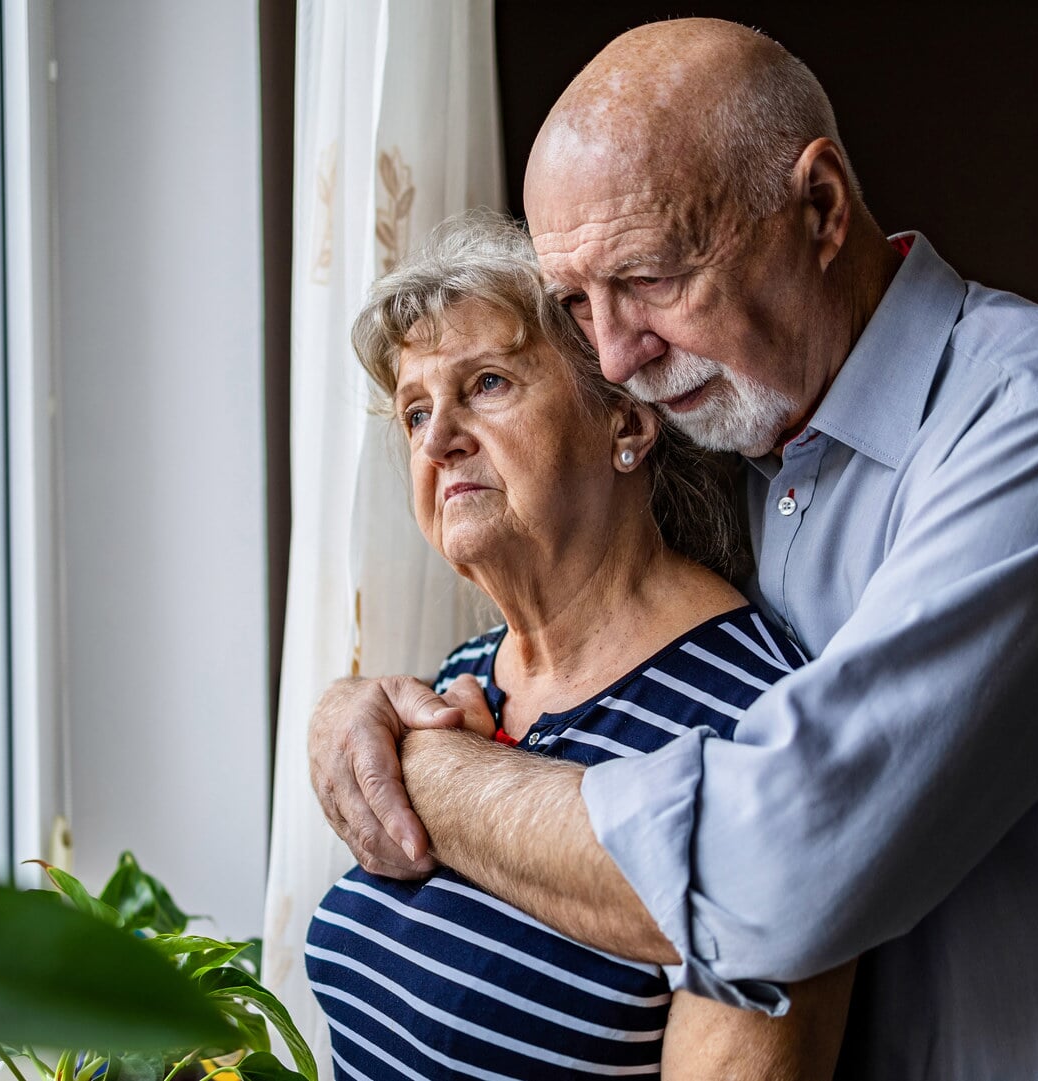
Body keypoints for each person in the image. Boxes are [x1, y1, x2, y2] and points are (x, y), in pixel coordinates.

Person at [308, 18, 1038, 1080]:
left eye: (647, 278)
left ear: (821, 209)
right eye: (573, 305)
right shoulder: (742, 431)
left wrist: (420, 771)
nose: (614, 355)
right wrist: (347, 707)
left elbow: (778, 868)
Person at [305, 211, 853, 1080]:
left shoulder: (759, 721)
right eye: (415, 412)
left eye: (486, 383)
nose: (438, 438)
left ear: (626, 426)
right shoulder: (460, 679)